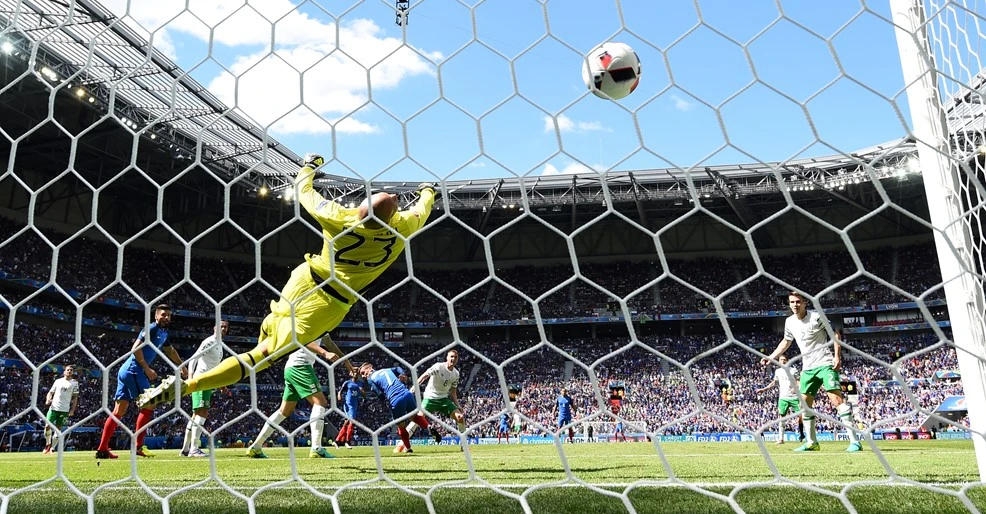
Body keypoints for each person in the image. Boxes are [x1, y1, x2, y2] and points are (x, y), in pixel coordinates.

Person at [138, 155, 437, 409]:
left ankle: (255, 342)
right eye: (395, 200)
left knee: (269, 331)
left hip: (305, 280)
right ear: (394, 214)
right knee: (261, 357)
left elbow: (304, 192)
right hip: (329, 304)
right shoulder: (402, 229)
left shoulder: (339, 216)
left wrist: (311, 165)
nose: (397, 198)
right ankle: (190, 386)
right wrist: (427, 190)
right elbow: (422, 209)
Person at [761, 291, 862, 453]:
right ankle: (811, 442)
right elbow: (786, 342)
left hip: (825, 364)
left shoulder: (816, 317)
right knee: (804, 406)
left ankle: (855, 442)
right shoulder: (789, 322)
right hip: (807, 368)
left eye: (798, 302)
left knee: (836, 400)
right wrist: (771, 357)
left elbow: (835, 333)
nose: (795, 305)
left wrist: (837, 356)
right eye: (792, 302)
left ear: (805, 302)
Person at [96, 304, 182, 459]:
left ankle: (102, 449)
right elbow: (135, 348)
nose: (166, 318)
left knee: (119, 410)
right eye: (163, 315)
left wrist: (182, 367)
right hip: (134, 370)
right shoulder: (152, 329)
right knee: (150, 404)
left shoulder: (163, 333)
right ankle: (138, 447)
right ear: (156, 316)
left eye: (169, 315)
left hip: (126, 371)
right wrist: (147, 369)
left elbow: (170, 350)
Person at [245, 336, 342, 459]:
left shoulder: (324, 326)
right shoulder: (313, 322)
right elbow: (303, 340)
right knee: (320, 402)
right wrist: (325, 353)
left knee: (284, 411)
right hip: (301, 366)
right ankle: (317, 448)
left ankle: (256, 447)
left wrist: (348, 364)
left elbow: (330, 343)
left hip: (291, 368)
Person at [398, 349, 464, 453]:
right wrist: (413, 388)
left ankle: (463, 446)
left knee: (460, 417)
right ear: (447, 357)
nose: (453, 359)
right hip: (430, 398)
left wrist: (458, 405)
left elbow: (453, 392)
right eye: (451, 356)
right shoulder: (438, 367)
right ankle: (401, 444)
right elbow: (424, 376)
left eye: (455, 357)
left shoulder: (456, 374)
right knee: (417, 420)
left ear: (457, 359)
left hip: (443, 400)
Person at [180, 321, 229, 458]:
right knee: (202, 413)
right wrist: (190, 378)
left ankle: (185, 449)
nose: (223, 329)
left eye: (225, 327)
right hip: (201, 380)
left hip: (208, 381)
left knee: (196, 415)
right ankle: (194, 449)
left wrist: (221, 385)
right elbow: (193, 359)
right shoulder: (209, 342)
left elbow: (215, 367)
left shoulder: (220, 345)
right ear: (215, 328)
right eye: (221, 326)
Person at [359, 362, 431, 453]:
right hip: (408, 394)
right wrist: (402, 374)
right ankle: (429, 427)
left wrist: (377, 396)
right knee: (415, 417)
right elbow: (397, 369)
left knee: (401, 426)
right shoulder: (385, 369)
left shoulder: (370, 379)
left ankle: (408, 448)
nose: (363, 376)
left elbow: (380, 395)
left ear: (369, 368)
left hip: (396, 400)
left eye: (363, 373)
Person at [755, 354, 805, 445]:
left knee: (802, 416)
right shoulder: (778, 371)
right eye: (781, 360)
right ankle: (781, 439)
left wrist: (797, 388)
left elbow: (799, 381)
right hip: (783, 398)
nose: (783, 361)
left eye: (784, 359)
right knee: (781, 418)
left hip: (794, 397)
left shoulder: (793, 370)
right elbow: (774, 382)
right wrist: (764, 389)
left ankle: (802, 434)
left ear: (788, 360)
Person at [43, 365, 79, 454]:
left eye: (71, 370)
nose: (69, 371)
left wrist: (72, 410)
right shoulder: (58, 381)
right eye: (68, 370)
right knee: (47, 425)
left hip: (65, 410)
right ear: (64, 372)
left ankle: (53, 448)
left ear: (72, 372)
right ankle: (48, 444)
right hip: (54, 408)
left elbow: (75, 398)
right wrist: (48, 399)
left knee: (58, 430)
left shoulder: (74, 383)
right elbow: (50, 392)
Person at [334, 374, 364, 449]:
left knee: (346, 422)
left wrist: (363, 392)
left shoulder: (360, 384)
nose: (356, 372)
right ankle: (347, 442)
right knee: (351, 422)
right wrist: (339, 395)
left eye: (357, 370)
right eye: (354, 370)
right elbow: (340, 391)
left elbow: (364, 396)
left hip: (355, 405)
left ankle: (337, 441)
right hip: (348, 405)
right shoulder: (347, 382)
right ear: (351, 373)